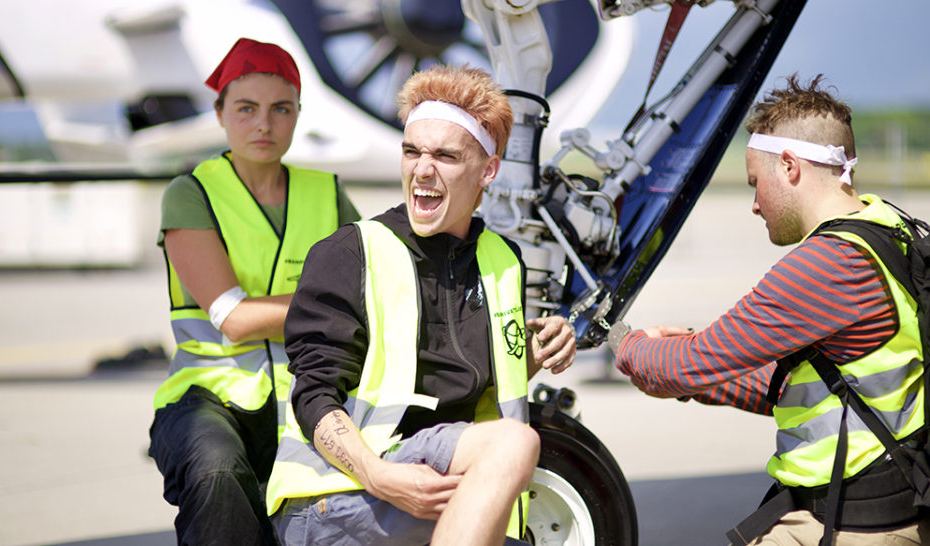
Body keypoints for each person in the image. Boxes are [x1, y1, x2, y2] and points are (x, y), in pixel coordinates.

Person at [266, 64, 577, 545]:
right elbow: (313, 396)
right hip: (336, 498)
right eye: (412, 151)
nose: (422, 169)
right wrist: (380, 477)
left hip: (432, 489)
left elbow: (469, 386)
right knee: (517, 442)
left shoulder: (503, 261)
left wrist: (531, 355)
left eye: (445, 156)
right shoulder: (351, 251)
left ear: (488, 171)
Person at [611, 74, 928, 544]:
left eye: (755, 183)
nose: (754, 205)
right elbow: (816, 384)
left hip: (849, 523)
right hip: (891, 505)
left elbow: (686, 366)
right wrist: (697, 376)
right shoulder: (890, 225)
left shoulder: (828, 265)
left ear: (789, 166)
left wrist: (628, 345)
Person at [147, 37, 360, 545]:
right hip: (208, 398)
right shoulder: (191, 193)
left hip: (311, 394)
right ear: (220, 113)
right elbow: (234, 318)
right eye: (246, 108)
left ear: (297, 113)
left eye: (280, 109)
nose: (264, 125)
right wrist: (329, 308)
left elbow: (371, 292)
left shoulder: (327, 194)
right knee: (217, 473)